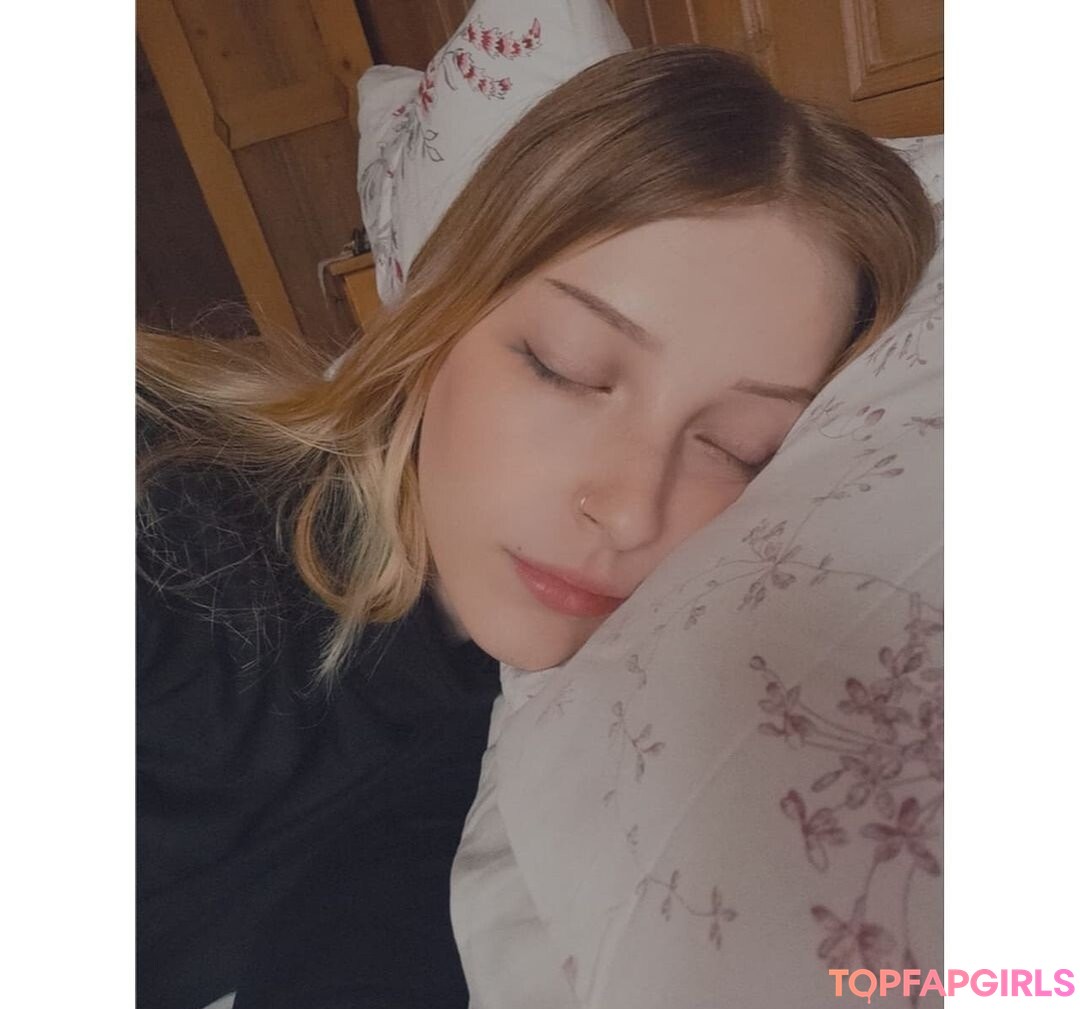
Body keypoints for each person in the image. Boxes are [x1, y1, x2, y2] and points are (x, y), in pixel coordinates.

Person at [137, 46, 936, 1009]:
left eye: (738, 447)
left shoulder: (505, 772)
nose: (630, 507)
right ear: (439, 319)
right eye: (567, 366)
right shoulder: (157, 501)